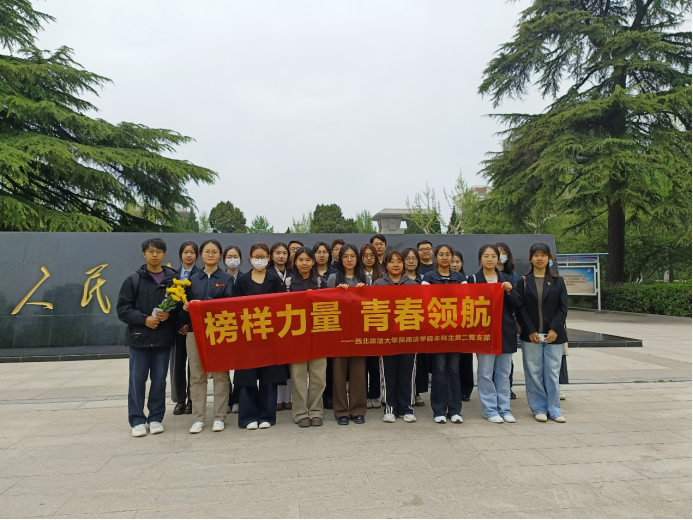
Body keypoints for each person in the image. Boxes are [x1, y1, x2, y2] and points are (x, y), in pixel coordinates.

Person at [117, 238, 179, 438]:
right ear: (144, 254)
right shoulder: (134, 279)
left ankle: (155, 418)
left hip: (162, 339)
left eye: (159, 251)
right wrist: (144, 320)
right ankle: (136, 420)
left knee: (159, 380)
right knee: (137, 380)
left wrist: (169, 315)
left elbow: (181, 310)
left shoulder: (174, 280)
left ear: (164, 254)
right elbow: (123, 310)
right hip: (139, 339)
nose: (155, 255)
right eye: (151, 251)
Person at [234, 243, 290, 430]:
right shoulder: (242, 280)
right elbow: (234, 307)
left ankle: (267, 415)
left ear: (269, 258)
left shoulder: (275, 280)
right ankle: (248, 417)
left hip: (269, 336)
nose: (260, 260)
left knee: (269, 378)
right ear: (250, 258)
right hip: (247, 336)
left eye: (263, 257)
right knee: (247, 377)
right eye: (256, 257)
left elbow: (282, 306)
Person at [182, 239, 234, 434]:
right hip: (195, 332)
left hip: (220, 331)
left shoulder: (227, 278)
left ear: (220, 255)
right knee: (197, 375)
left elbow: (229, 304)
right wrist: (186, 306)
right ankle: (198, 418)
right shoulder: (192, 279)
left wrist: (203, 303)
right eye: (206, 251)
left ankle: (219, 417)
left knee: (221, 375)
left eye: (214, 252)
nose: (210, 255)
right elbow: (185, 305)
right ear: (201, 255)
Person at [516, 243, 569, 423]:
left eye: (543, 255)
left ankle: (554, 409)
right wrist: (530, 330)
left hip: (555, 335)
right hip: (531, 335)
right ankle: (538, 407)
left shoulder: (558, 281)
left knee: (552, 372)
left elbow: (563, 308)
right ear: (531, 259)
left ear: (549, 258)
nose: (539, 258)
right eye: (536, 255)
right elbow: (520, 308)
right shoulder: (523, 281)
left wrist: (554, 329)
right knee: (534, 372)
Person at [468, 244, 521, 424]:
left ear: (498, 259)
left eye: (493, 256)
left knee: (504, 372)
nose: (490, 259)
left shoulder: (506, 279)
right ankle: (490, 409)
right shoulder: (473, 279)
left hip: (505, 331)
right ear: (480, 259)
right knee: (485, 372)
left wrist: (510, 291)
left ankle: (504, 408)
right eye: (486, 256)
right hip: (483, 332)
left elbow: (517, 304)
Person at [423, 244, 467, 424]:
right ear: (435, 257)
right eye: (441, 254)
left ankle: (455, 410)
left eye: (448, 254)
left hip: (455, 330)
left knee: (454, 369)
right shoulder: (428, 278)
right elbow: (425, 302)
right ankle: (439, 410)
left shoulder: (460, 278)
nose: (444, 257)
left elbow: (465, 301)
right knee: (439, 369)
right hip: (436, 331)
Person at [373, 250, 418, 423]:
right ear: (386, 265)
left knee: (407, 373)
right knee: (388, 373)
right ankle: (390, 407)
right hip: (387, 338)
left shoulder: (412, 284)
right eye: (392, 261)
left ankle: (407, 407)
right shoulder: (378, 284)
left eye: (399, 261)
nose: (396, 264)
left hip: (408, 337)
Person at [327, 244, 368, 425]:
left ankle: (358, 410)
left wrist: (364, 291)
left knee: (359, 372)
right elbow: (327, 304)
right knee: (339, 372)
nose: (349, 260)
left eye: (352, 256)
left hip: (359, 330)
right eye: (346, 256)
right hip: (339, 331)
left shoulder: (364, 277)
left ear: (357, 259)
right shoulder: (333, 278)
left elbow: (371, 303)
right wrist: (337, 292)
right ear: (340, 259)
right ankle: (341, 411)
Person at [287, 247, 327, 428]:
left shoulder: (320, 281)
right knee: (298, 376)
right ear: (295, 262)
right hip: (295, 336)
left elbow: (328, 306)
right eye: (301, 260)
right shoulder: (287, 283)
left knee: (319, 376)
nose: (304, 263)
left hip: (317, 335)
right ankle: (300, 412)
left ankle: (316, 411)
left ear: (313, 262)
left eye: (308, 260)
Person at [171, 241, 199, 416]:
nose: (189, 255)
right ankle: (180, 399)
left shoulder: (199, 275)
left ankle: (192, 399)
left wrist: (189, 323)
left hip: (193, 326)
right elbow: (168, 303)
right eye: (185, 252)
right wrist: (178, 324)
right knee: (177, 365)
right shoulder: (172, 276)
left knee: (194, 365)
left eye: (192, 252)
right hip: (176, 327)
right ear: (180, 254)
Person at [269, 242, 293, 411]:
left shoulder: (293, 273)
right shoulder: (267, 274)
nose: (281, 256)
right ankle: (277, 398)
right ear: (271, 255)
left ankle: (288, 398)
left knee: (290, 361)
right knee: (276, 362)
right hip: (273, 323)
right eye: (278, 253)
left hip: (291, 322)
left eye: (284, 253)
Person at [403, 247, 427, 407]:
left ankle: (417, 392)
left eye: (414, 258)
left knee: (420, 362)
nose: (411, 261)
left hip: (421, 324)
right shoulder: (399, 279)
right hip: (403, 324)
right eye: (407, 258)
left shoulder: (424, 279)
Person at [313, 241, 336, 410]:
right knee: (317, 364)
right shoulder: (308, 271)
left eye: (325, 252)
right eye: (318, 252)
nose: (322, 255)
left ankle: (330, 395)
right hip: (314, 323)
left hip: (333, 321)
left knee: (331, 363)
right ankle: (316, 397)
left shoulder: (336, 272)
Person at [361, 243, 384, 410]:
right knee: (362, 363)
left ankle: (375, 394)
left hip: (377, 322)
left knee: (376, 362)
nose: (369, 258)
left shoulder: (382, 274)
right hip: (360, 323)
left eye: (372, 255)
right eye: (365, 255)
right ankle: (363, 395)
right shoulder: (356, 274)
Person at [450, 251, 474, 404]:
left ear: (462, 263)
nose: (454, 264)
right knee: (452, 362)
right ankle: (453, 389)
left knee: (465, 359)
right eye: (452, 261)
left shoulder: (467, 280)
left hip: (464, 325)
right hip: (448, 325)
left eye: (457, 262)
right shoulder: (440, 280)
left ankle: (466, 389)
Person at [496, 242, 519, 400]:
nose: (500, 256)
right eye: (497, 253)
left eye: (504, 253)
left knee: (506, 361)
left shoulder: (513, 276)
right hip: (490, 322)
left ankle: (507, 388)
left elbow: (517, 299)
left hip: (507, 321)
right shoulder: (485, 275)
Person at [223, 245, 243, 414]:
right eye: (229, 257)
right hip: (223, 326)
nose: (232, 260)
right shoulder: (219, 277)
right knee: (223, 365)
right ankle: (226, 398)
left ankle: (237, 398)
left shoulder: (245, 278)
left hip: (242, 327)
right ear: (224, 259)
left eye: (235, 256)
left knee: (240, 365)